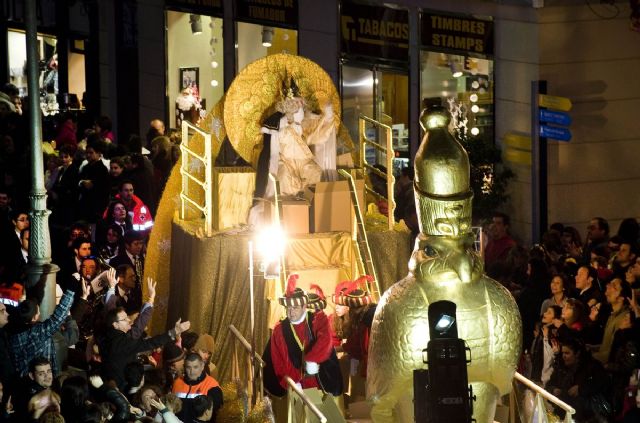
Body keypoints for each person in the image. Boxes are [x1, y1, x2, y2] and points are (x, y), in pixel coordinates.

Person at [263, 274, 342, 397]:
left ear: (304, 306)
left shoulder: (317, 319)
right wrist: (290, 383)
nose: (291, 311)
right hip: (294, 386)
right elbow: (277, 360)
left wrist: (313, 358)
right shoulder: (279, 330)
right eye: (288, 307)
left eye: (295, 307)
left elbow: (325, 341)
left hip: (319, 383)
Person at [100, 306, 190, 390]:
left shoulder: (106, 339)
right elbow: (150, 343)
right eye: (124, 319)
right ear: (115, 325)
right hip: (123, 387)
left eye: (127, 317)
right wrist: (174, 332)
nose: (129, 320)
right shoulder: (122, 342)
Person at [8, 289, 76, 376]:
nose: (39, 312)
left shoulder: (12, 331)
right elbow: (58, 317)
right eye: (38, 311)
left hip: (22, 378)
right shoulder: (37, 333)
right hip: (39, 378)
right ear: (34, 318)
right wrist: (70, 290)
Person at [172, 352, 223, 422]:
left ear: (202, 366)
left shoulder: (212, 386)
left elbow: (216, 417)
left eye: (195, 367)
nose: (192, 371)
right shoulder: (177, 382)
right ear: (184, 367)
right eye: (188, 367)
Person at [484, 212, 517, 278]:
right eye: (493, 222)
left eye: (498, 223)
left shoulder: (509, 245)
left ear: (505, 227)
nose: (494, 226)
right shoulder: (491, 242)